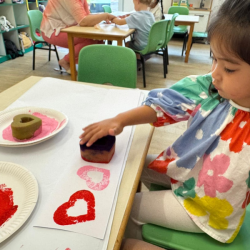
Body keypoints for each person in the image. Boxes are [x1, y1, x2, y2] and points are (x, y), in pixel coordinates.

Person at [79, 0, 250, 244]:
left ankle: (137, 241)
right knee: (133, 166)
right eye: (215, 59)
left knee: (125, 205)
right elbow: (165, 104)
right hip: (189, 175)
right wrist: (120, 120)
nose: (215, 73)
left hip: (208, 208)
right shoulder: (211, 87)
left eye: (229, 68)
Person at [40, 0, 116, 73]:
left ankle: (93, 65)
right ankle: (65, 61)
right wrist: (105, 15)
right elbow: (83, 21)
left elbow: (86, 15)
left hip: (66, 27)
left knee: (98, 38)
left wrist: (102, 17)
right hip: (52, 30)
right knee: (88, 39)